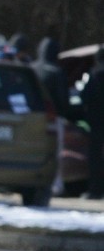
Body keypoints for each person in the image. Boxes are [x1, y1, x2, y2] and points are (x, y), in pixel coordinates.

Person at [31, 37, 71, 195]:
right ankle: (56, 185)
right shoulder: (57, 72)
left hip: (32, 118)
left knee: (33, 149)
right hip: (53, 118)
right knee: (56, 153)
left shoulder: (31, 69)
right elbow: (63, 99)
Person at [80, 47, 104, 199]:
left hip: (96, 122)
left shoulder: (95, 74)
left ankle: (95, 190)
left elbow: (84, 96)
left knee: (95, 157)